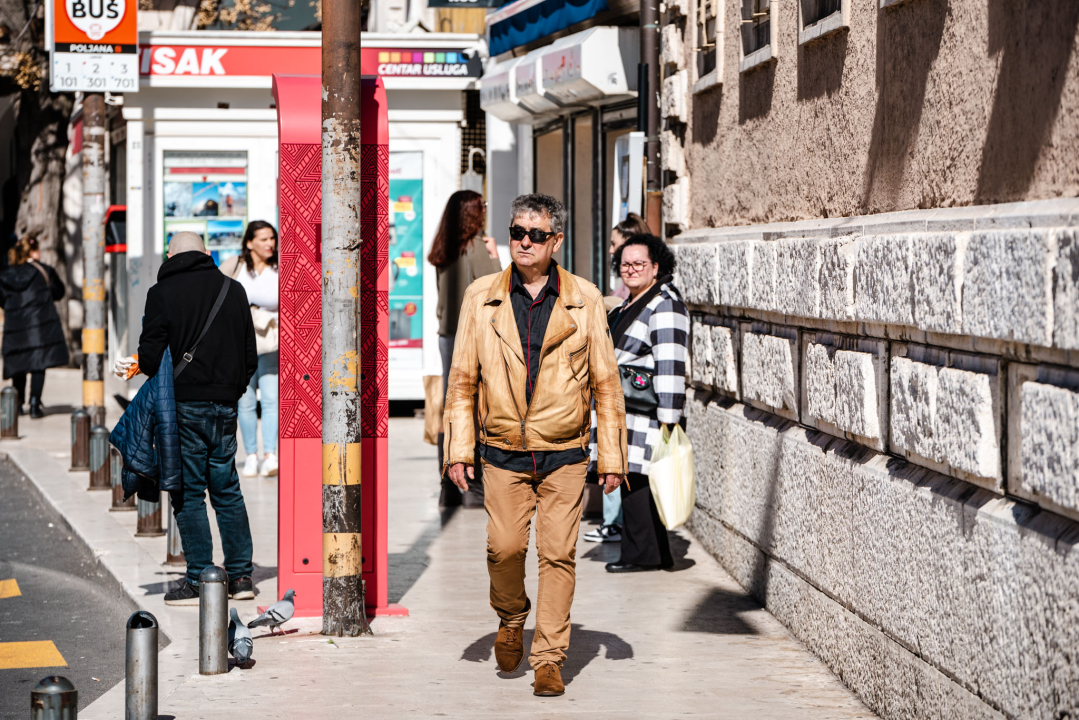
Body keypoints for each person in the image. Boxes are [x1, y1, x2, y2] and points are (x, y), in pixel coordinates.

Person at [443, 194, 627, 697]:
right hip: (502, 450)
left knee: (558, 554)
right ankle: (511, 616)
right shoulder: (481, 296)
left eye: (536, 235)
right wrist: (458, 449)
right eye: (517, 232)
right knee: (504, 549)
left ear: (556, 241)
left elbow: (607, 384)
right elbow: (461, 380)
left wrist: (612, 456)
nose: (524, 242)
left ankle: (549, 658)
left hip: (565, 452)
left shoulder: (585, 298)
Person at [138, 231, 258, 606]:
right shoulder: (233, 290)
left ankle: (199, 579)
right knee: (227, 488)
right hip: (226, 405)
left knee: (189, 493)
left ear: (169, 256)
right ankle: (241, 577)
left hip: (183, 405)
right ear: (206, 252)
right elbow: (249, 355)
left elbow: (148, 359)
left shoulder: (161, 293)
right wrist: (231, 391)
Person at [596, 234, 689, 573]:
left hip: (648, 413)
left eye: (639, 263)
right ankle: (654, 553)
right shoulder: (632, 302)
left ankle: (642, 556)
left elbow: (671, 363)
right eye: (625, 264)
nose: (631, 269)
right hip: (628, 412)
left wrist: (669, 417)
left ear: (656, 266)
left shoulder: (664, 304)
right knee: (636, 480)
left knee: (638, 481)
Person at [428, 190, 501, 507]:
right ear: (474, 212)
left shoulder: (443, 247)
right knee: (479, 407)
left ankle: (447, 486)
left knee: (452, 406)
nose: (485, 210)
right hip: (474, 337)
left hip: (447, 335)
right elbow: (495, 291)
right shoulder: (477, 247)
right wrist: (495, 255)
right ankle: (475, 485)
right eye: (482, 206)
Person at [583, 212, 648, 543]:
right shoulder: (627, 285)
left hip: (627, 385)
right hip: (617, 381)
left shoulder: (636, 289)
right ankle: (614, 521)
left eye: (615, 244)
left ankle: (615, 522)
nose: (611, 251)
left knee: (617, 448)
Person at [221, 221, 280, 478]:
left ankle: (270, 455)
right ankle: (252, 456)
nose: (270, 244)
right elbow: (216, 295)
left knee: (270, 399)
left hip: (271, 342)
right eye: (263, 239)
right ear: (249, 242)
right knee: (244, 402)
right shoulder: (234, 266)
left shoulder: (279, 267)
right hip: (238, 343)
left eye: (272, 238)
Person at [0, 236, 68, 418]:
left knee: (19, 363)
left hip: (15, 328)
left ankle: (17, 405)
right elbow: (59, 292)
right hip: (39, 326)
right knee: (38, 364)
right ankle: (34, 404)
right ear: (33, 252)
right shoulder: (44, 271)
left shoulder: (6, 275)